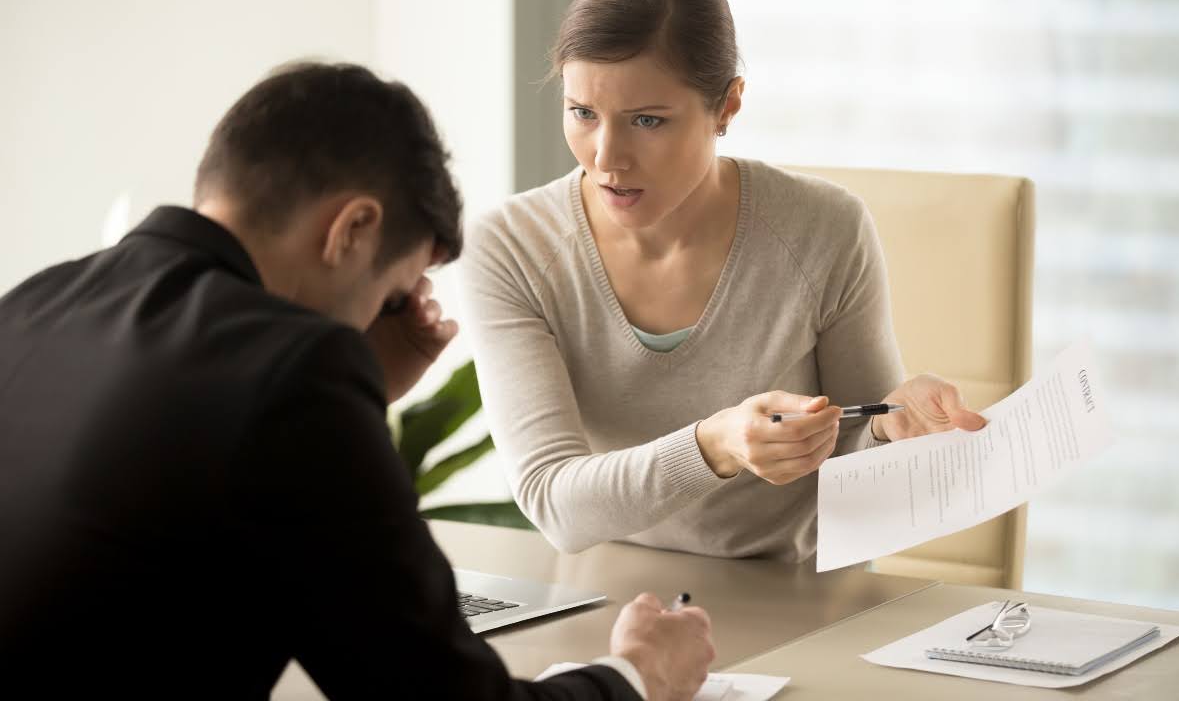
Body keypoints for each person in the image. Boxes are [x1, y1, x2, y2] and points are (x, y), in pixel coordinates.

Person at [0, 62, 714, 699]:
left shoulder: (33, 304)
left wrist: (362, 388)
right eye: (394, 293)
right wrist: (635, 679)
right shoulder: (291, 373)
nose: (385, 318)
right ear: (352, 230)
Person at [459, 0, 987, 561]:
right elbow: (553, 501)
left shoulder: (825, 230)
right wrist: (716, 445)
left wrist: (893, 431)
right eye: (583, 113)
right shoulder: (512, 248)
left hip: (797, 599)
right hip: (609, 601)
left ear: (727, 107)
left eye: (647, 120)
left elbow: (856, 470)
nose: (606, 157)